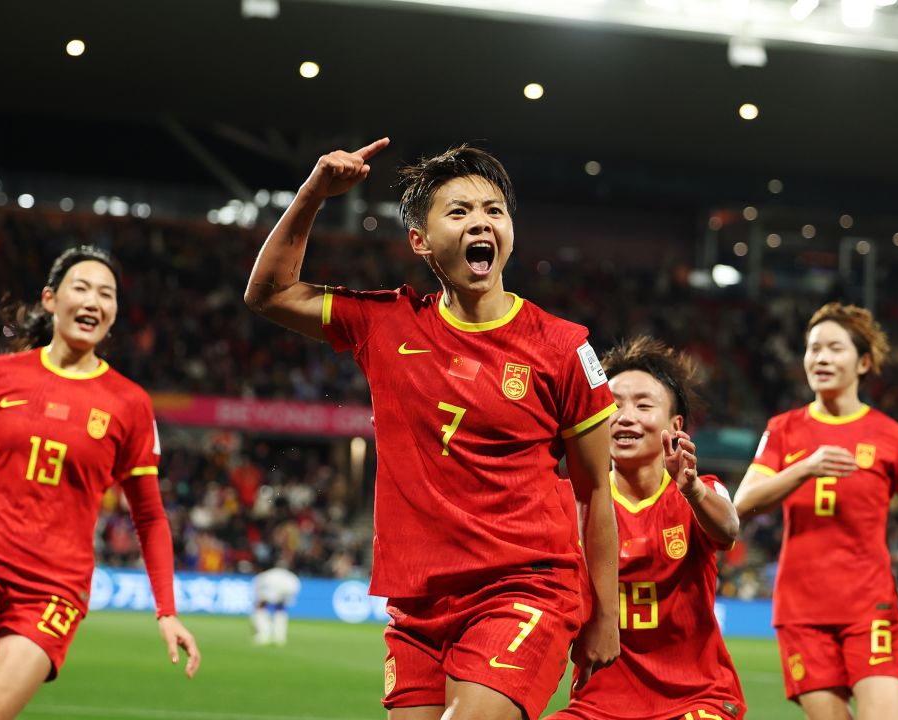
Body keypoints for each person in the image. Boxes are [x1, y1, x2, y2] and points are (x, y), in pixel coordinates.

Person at [245, 139, 620, 720]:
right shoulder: (386, 323)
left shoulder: (564, 347)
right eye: (460, 211)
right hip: (419, 605)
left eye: (494, 210)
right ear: (419, 241)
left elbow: (597, 489)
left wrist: (604, 614)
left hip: (526, 590)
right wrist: (313, 194)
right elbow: (268, 295)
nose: (482, 223)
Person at [0, 247, 200, 720]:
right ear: (51, 299)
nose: (93, 301)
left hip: (53, 587)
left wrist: (166, 611)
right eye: (82, 288)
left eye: (106, 294)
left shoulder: (129, 404)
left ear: (114, 315)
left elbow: (150, 516)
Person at [732, 302, 898, 720]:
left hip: (869, 607)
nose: (821, 358)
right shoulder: (784, 429)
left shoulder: (892, 436)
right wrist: (805, 467)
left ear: (864, 362)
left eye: (835, 348)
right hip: (802, 612)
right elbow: (741, 505)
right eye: (813, 348)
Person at [547, 336, 745, 720]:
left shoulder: (700, 493)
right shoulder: (572, 504)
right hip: (598, 704)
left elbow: (728, 530)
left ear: (675, 425)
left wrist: (693, 489)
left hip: (696, 699)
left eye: (643, 405)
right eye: (613, 405)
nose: (625, 416)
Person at [252, 563, 302, 646]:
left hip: (274, 587)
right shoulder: (290, 576)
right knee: (280, 609)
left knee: (261, 608)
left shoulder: (263, 576)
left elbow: (259, 595)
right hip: (290, 586)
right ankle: (279, 637)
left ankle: (263, 634)